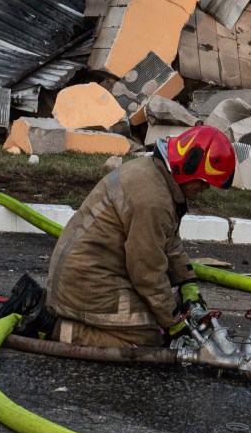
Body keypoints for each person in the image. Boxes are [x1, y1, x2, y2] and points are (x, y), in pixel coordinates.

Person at [43, 125, 236, 349]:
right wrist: (173, 322)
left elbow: (168, 243)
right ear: (187, 166)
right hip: (87, 283)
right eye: (202, 182)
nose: (204, 188)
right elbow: (146, 271)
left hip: (93, 274)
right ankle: (52, 327)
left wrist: (187, 285)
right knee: (148, 338)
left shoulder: (156, 175)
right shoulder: (154, 199)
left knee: (160, 311)